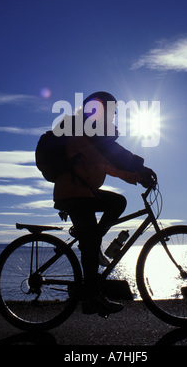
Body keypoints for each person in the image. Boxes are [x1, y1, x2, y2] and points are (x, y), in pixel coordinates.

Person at [54, 92, 156, 316]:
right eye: (112, 111)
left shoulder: (92, 133)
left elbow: (111, 166)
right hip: (73, 193)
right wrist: (141, 167)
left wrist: (137, 176)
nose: (114, 116)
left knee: (117, 202)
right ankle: (91, 297)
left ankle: (91, 243)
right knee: (90, 242)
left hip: (83, 192)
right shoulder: (83, 129)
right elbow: (115, 154)